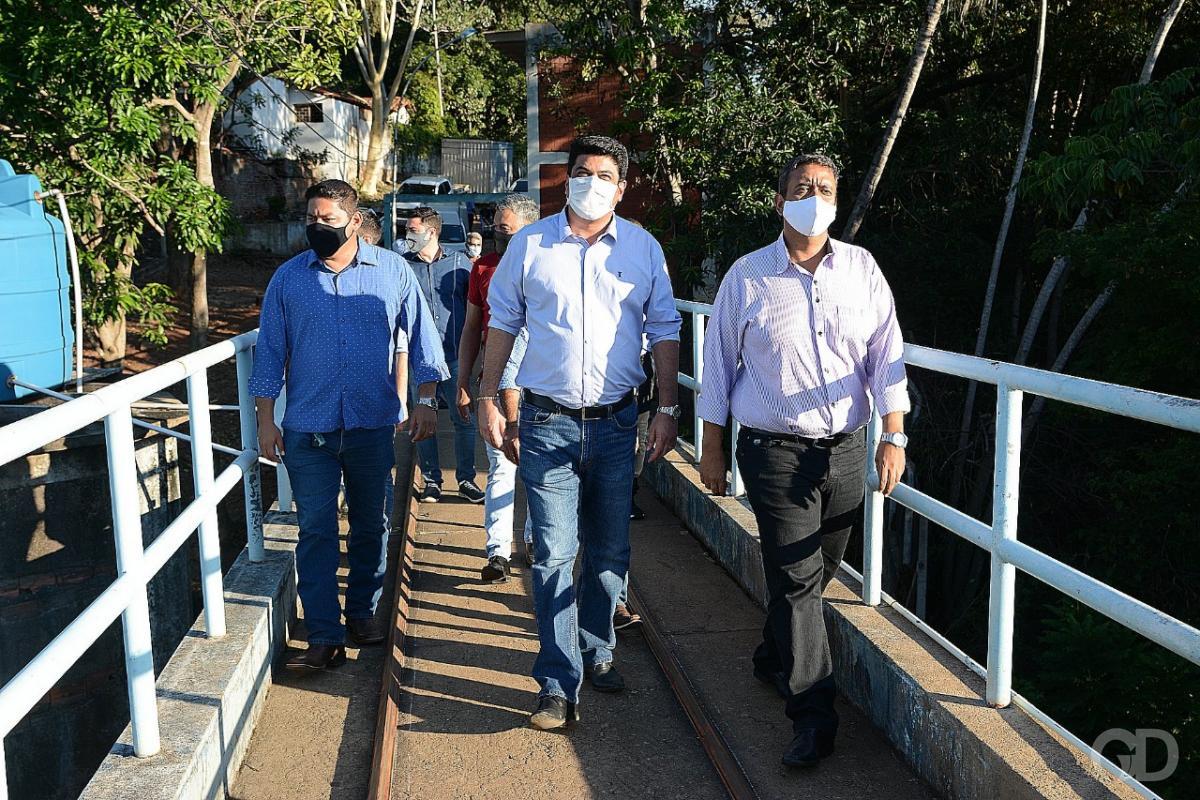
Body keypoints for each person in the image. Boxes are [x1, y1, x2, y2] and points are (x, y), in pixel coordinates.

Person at [696, 153, 910, 768]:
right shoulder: (748, 276)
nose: (812, 197)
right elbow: (718, 366)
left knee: (815, 573)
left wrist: (894, 435)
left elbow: (886, 354)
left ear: (837, 201)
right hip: (774, 453)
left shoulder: (862, 269)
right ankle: (813, 717)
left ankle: (773, 655)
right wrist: (712, 447)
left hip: (846, 449)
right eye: (800, 188)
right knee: (796, 577)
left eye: (824, 189)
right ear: (780, 200)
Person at [477, 135, 682, 730]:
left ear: (622, 188)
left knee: (610, 552)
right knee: (553, 554)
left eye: (604, 175)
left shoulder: (643, 248)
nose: (592, 183)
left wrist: (668, 409)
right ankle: (556, 683)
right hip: (547, 422)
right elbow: (502, 321)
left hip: (617, 424)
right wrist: (487, 397)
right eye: (582, 172)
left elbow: (665, 328)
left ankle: (597, 649)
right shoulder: (530, 245)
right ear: (566, 180)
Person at [250, 179, 448, 671]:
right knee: (315, 530)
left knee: (371, 524)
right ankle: (324, 636)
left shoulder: (393, 271)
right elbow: (269, 351)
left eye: (329, 220)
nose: (318, 227)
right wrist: (265, 421)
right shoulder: (288, 279)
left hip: (371, 423)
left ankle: (361, 612)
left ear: (355, 221)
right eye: (311, 219)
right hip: (308, 429)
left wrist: (426, 399)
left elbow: (422, 335)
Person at [455, 193, 540, 583]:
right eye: (495, 228)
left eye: (504, 229)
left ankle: (535, 540)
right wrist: (463, 380)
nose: (496, 234)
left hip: (541, 383)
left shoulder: (547, 265)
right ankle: (498, 552)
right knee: (501, 466)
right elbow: (472, 328)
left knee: (539, 468)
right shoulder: (483, 267)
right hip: (494, 377)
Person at [399, 206, 484, 504]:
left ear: (432, 232)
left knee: (464, 418)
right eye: (407, 230)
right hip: (420, 359)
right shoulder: (404, 267)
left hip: (455, 356)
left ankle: (466, 480)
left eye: (413, 230)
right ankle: (432, 481)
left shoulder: (461, 264)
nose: (408, 236)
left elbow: (476, 307)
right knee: (424, 420)